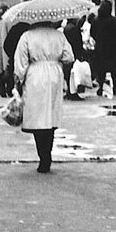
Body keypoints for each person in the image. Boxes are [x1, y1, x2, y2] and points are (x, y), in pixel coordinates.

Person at [12, 19, 74, 173]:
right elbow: (69, 56)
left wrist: (18, 79)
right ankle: (48, 154)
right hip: (54, 75)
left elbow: (21, 62)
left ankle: (43, 156)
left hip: (35, 75)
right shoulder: (59, 36)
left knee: (37, 115)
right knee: (50, 115)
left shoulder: (27, 36)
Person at [91, 0, 116, 97]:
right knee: (114, 69)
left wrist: (99, 40)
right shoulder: (112, 20)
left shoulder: (96, 20)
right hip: (113, 50)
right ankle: (115, 87)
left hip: (100, 49)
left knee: (101, 69)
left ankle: (100, 87)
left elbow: (92, 33)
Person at [62, 15, 86, 100]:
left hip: (68, 52)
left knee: (69, 73)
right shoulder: (73, 29)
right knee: (73, 73)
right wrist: (80, 54)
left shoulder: (67, 27)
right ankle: (73, 93)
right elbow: (77, 43)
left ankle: (70, 91)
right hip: (74, 53)